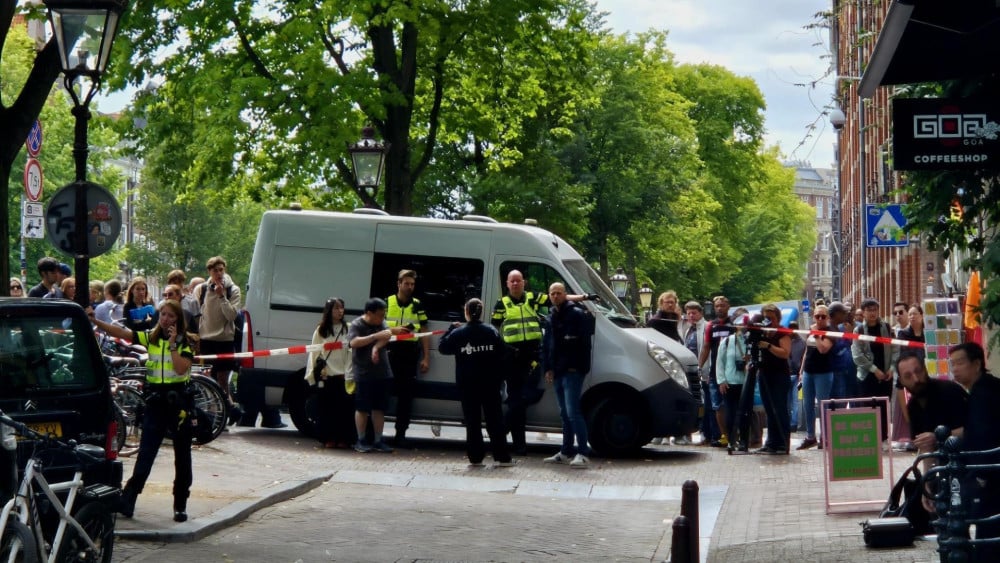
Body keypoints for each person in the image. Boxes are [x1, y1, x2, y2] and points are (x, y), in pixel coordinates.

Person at [89, 299, 196, 523]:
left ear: (178, 320)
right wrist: (96, 321)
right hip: (156, 402)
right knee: (146, 453)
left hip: (179, 405)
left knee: (182, 457)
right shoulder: (152, 338)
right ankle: (128, 500)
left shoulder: (186, 342)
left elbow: (179, 368)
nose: (165, 319)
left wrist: (175, 343)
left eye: (170, 316)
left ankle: (180, 504)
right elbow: (123, 333)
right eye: (163, 314)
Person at [438, 298, 514, 467]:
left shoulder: (459, 333)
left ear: (466, 312)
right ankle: (502, 457)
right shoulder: (491, 331)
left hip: (467, 384)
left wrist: (450, 329)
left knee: (472, 421)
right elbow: (503, 352)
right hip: (490, 383)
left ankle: (476, 457)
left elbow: (442, 347)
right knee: (495, 420)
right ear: (481, 312)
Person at [947, 342, 1000, 559]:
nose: (955, 369)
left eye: (960, 363)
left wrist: (979, 475)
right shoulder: (984, 388)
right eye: (952, 364)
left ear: (977, 364)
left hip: (990, 474)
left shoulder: (983, 394)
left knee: (988, 529)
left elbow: (983, 436)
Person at [492, 269, 548, 455]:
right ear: (507, 284)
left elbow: (558, 297)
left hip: (532, 357)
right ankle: (519, 445)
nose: (515, 284)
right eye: (512, 281)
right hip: (512, 358)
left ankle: (501, 431)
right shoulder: (502, 304)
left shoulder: (533, 298)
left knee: (523, 398)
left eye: (518, 281)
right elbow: (495, 330)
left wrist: (583, 297)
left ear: (524, 282)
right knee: (517, 400)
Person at [196, 257, 254, 427]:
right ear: (210, 272)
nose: (219, 274)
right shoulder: (202, 289)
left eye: (221, 270)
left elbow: (231, 315)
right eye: (215, 271)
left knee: (222, 380)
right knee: (207, 379)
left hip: (224, 340)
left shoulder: (233, 290)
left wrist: (222, 297)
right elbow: (198, 312)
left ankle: (225, 413)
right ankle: (223, 411)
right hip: (206, 339)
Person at [541, 283, 594, 468]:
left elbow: (584, 345)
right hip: (558, 371)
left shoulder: (577, 315)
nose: (555, 296)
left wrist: (578, 368)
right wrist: (547, 368)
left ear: (565, 295)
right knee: (565, 413)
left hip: (571, 371)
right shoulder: (551, 316)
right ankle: (566, 450)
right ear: (549, 296)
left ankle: (583, 452)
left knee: (573, 412)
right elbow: (547, 344)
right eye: (552, 293)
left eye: (559, 293)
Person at [349, 297, 407, 453]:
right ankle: (360, 440)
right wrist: (374, 337)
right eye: (380, 315)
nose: (383, 318)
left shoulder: (381, 323)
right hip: (364, 372)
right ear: (369, 313)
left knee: (379, 408)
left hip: (383, 372)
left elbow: (386, 335)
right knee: (362, 408)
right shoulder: (357, 324)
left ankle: (378, 440)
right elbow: (353, 342)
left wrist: (376, 348)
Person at [385, 269, 428, 447]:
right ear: (399, 284)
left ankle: (400, 434)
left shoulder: (418, 305)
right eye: (406, 283)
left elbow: (425, 332)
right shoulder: (387, 302)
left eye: (412, 284)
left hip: (409, 355)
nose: (410, 287)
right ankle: (375, 433)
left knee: (405, 397)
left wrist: (426, 357)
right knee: (383, 392)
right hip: (388, 352)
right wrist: (393, 330)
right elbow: (375, 327)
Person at [306, 297, 355, 449]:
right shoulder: (320, 330)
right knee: (327, 410)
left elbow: (351, 353)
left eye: (342, 308)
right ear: (329, 310)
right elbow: (314, 353)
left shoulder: (348, 328)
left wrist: (349, 374)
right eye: (336, 308)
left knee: (344, 411)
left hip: (343, 376)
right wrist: (312, 375)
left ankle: (344, 439)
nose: (340, 311)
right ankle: (328, 438)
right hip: (327, 376)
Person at [851, 297, 897, 443]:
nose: (872, 313)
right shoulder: (858, 330)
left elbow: (896, 349)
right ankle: (869, 438)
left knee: (884, 407)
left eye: (875, 309)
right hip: (867, 375)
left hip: (886, 375)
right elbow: (857, 355)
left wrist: (892, 368)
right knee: (868, 407)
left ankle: (883, 438)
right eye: (869, 310)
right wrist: (873, 369)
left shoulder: (887, 328)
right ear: (863, 313)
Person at [755, 304, 792, 454]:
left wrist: (769, 346)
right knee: (769, 410)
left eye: (771, 318)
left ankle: (783, 443)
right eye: (765, 317)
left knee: (780, 409)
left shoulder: (782, 332)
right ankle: (771, 443)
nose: (768, 321)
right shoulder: (761, 332)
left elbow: (785, 353)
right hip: (765, 374)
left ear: (777, 318)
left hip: (779, 376)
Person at [797, 305, 834, 450]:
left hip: (823, 373)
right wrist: (801, 371)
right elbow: (807, 350)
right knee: (807, 405)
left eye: (823, 316)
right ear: (813, 317)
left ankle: (824, 437)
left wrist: (817, 334)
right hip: (808, 372)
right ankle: (810, 436)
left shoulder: (831, 332)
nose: (819, 319)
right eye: (817, 316)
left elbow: (823, 349)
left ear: (828, 318)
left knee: (822, 405)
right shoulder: (811, 330)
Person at [698, 295, 733, 447]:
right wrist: (699, 366)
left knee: (731, 404)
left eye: (722, 306)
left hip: (731, 371)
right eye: (717, 306)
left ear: (728, 306)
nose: (720, 308)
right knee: (717, 405)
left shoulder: (733, 325)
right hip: (715, 372)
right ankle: (723, 434)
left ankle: (733, 433)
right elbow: (706, 347)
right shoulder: (711, 326)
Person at [893, 305, 925, 451]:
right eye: (910, 314)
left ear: (922, 315)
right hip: (910, 373)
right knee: (900, 385)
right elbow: (903, 355)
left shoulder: (928, 332)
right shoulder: (903, 334)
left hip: (927, 372)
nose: (912, 317)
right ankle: (912, 433)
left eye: (914, 314)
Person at [717, 311, 749, 451]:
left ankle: (744, 441)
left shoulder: (750, 340)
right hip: (730, 382)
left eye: (745, 323)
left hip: (746, 382)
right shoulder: (727, 341)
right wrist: (721, 380)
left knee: (745, 413)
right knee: (730, 412)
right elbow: (719, 361)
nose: (742, 326)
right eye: (740, 323)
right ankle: (731, 439)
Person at [828, 302, 858, 400]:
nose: (846, 314)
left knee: (848, 398)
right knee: (838, 404)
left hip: (846, 370)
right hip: (836, 372)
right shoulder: (830, 329)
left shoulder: (837, 327)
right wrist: (848, 336)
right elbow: (836, 349)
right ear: (836, 314)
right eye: (844, 312)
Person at [787, 321, 806, 432]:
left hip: (797, 376)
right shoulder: (785, 341)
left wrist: (801, 372)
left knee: (796, 401)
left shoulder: (802, 343)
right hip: (786, 375)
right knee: (788, 402)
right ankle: (789, 422)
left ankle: (793, 424)